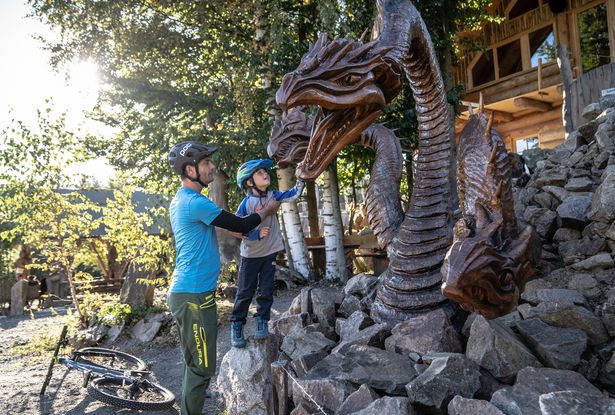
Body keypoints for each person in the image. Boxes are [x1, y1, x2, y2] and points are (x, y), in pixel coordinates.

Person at [167, 142, 280, 415]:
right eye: (206, 163)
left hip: (187, 293)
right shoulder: (195, 201)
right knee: (202, 366)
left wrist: (234, 233)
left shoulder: (182, 200)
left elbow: (214, 231)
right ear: (190, 169)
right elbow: (241, 223)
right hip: (194, 297)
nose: (212, 167)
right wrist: (268, 210)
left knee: (195, 363)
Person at [230, 159, 304, 348]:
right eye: (259, 173)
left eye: (265, 171)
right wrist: (255, 234)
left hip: (269, 253)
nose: (265, 174)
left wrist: (301, 178)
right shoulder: (246, 203)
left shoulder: (274, 195)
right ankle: (237, 325)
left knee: (266, 289)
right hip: (250, 255)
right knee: (245, 291)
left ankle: (262, 321)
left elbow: (293, 194)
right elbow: (237, 228)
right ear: (249, 182)